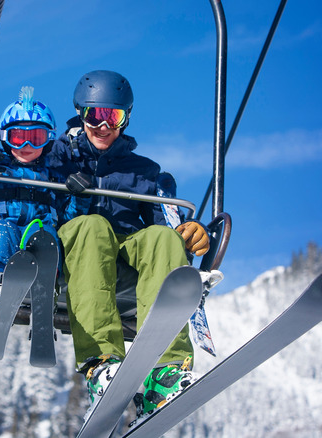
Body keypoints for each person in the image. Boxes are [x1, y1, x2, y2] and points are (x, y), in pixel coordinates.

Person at [46, 70, 210, 420]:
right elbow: (19, 162)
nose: (103, 126)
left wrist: (187, 231)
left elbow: (165, 218)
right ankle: (102, 363)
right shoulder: (56, 156)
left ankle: (164, 373)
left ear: (125, 119)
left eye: (113, 117)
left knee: (162, 239)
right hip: (75, 243)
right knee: (91, 227)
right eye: (95, 115)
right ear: (80, 113)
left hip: (127, 242)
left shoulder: (145, 172)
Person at [0, 83, 85, 335]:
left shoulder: (53, 176)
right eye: (18, 137)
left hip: (40, 231)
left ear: (49, 139)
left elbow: (70, 214)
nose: (26, 146)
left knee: (47, 239)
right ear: (5, 138)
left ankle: (44, 301)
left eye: (36, 138)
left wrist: (77, 192)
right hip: (2, 224)